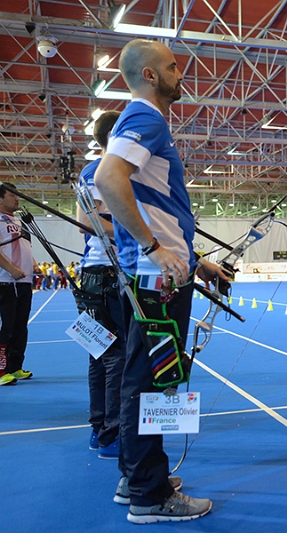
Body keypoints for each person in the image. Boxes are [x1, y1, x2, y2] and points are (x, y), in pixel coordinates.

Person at [95, 38, 228, 524]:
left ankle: (135, 478)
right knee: (151, 382)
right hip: (158, 278)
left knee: (143, 377)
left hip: (159, 273)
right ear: (150, 75)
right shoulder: (146, 117)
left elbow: (159, 206)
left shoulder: (144, 121)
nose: (180, 73)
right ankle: (149, 495)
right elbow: (108, 179)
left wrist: (195, 260)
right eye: (172, 67)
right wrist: (154, 249)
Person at [75, 110, 126, 458]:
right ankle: (111, 434)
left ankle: (99, 429)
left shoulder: (94, 170)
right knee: (115, 355)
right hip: (106, 275)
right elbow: (89, 223)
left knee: (100, 355)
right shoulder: (102, 171)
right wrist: (137, 232)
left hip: (96, 275)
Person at [0, 183, 38, 385]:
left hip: (24, 282)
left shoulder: (18, 221)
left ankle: (14, 367)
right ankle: (1, 370)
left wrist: (33, 263)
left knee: (20, 327)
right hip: (6, 281)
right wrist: (11, 269)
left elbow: (22, 245)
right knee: (6, 327)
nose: (17, 198)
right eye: (12, 195)